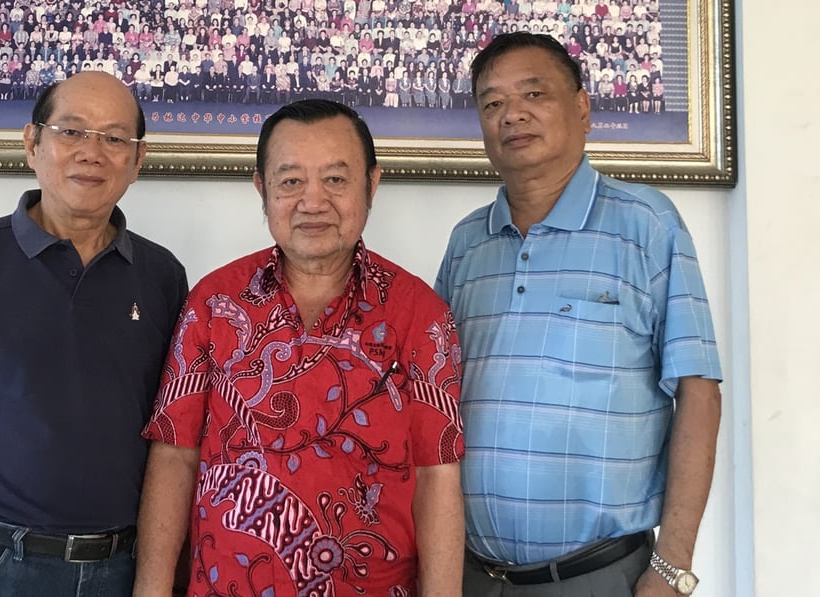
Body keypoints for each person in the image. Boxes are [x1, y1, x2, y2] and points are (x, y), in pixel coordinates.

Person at [0, 71, 188, 597]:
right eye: (72, 131)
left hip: (117, 568)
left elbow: (172, 444)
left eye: (114, 138)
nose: (92, 152)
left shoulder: (162, 277)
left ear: (137, 160)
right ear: (32, 143)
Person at [134, 99, 465, 597]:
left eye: (335, 179)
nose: (313, 201)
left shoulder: (420, 313)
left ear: (371, 186)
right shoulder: (215, 302)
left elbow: (436, 476)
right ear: (261, 190)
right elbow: (175, 455)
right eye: (290, 181)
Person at [436, 32, 722, 597]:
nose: (512, 114)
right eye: (492, 103)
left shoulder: (647, 225)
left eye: (533, 94)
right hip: (472, 574)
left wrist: (671, 568)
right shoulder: (468, 243)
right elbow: (435, 400)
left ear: (583, 108)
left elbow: (698, 391)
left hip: (600, 577)